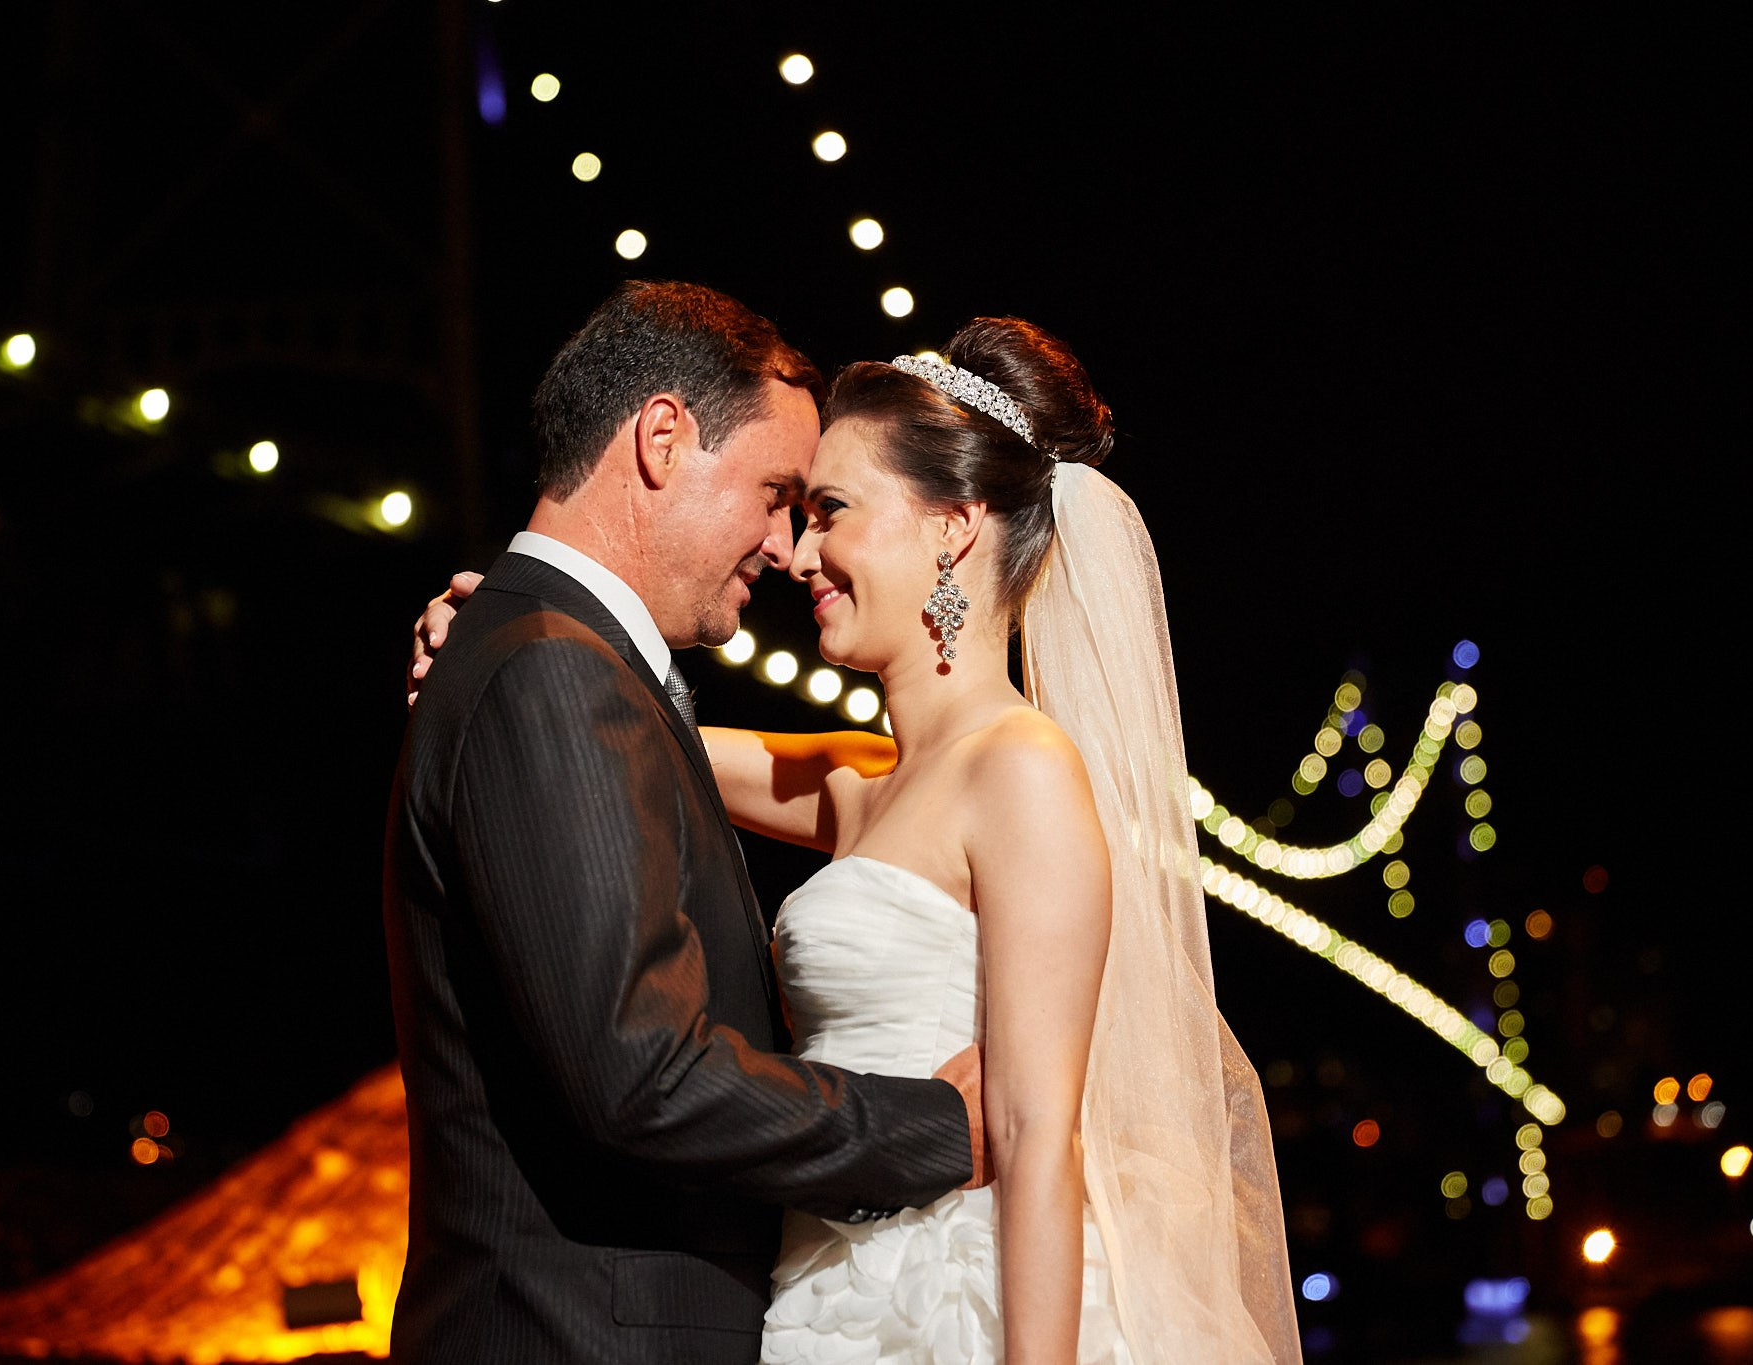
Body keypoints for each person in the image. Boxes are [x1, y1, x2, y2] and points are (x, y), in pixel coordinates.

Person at [411, 316, 1304, 1362]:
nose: (797, 553)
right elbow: (624, 728)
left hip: (957, 1299)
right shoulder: (858, 780)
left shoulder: (1021, 769)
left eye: (829, 510)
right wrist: (502, 632)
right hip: (821, 1294)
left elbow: (1036, 1143)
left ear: (951, 527)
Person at [382, 280, 986, 1365]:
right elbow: (644, 1075)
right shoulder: (552, 674)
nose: (784, 545)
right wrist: (943, 1129)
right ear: (661, 439)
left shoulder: (552, 664)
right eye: (774, 493)